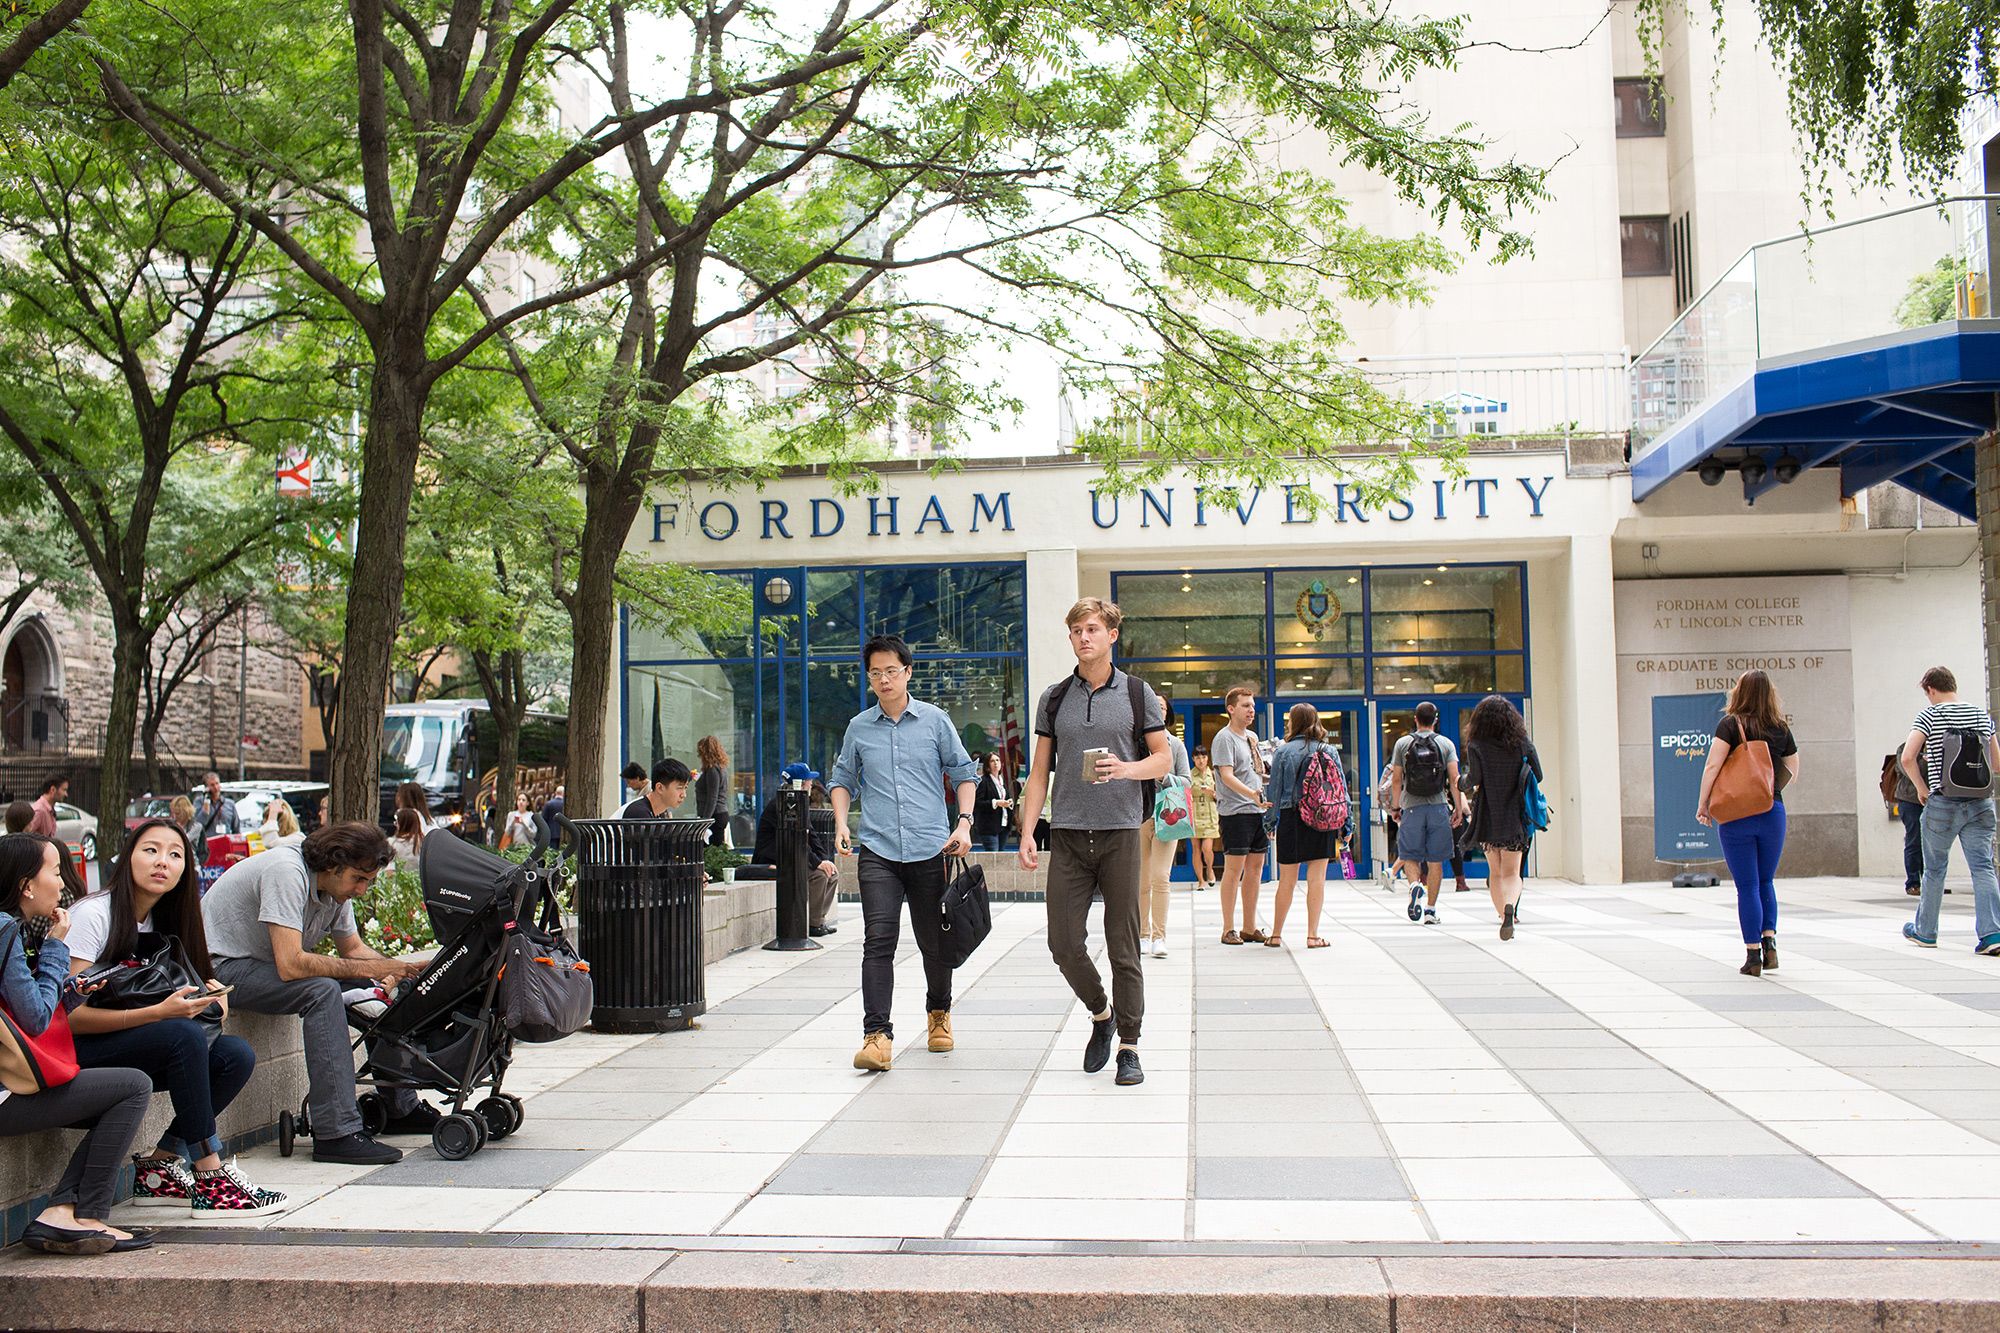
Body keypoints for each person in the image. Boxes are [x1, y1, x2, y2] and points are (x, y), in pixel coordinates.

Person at [64, 820, 285, 1216]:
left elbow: (194, 984)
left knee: (235, 1055)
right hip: (76, 1050)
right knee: (184, 1036)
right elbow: (67, 1016)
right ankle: (210, 1174)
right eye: (150, 850)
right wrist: (158, 1014)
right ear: (128, 856)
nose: (161, 862)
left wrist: (213, 998)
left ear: (186, 868)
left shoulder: (168, 920)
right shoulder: (93, 915)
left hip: (138, 1041)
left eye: (175, 854)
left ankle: (160, 1167)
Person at [201, 821, 427, 1165]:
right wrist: (373, 969)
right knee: (321, 992)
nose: (362, 890)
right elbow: (291, 965)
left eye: (369, 881)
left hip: (259, 966)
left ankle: (400, 1108)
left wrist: (400, 969)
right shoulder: (286, 872)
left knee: (372, 989)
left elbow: (352, 949)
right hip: (220, 970)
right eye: (358, 879)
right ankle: (335, 1132)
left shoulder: (336, 888)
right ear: (333, 865)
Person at [1017, 598, 1171, 1088]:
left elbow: (1163, 758)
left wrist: (1127, 769)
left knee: (1124, 944)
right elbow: (1039, 770)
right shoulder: (1054, 697)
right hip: (1066, 834)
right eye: (1076, 631)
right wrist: (1027, 830)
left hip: (1121, 833)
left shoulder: (1136, 693)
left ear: (1111, 636)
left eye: (1092, 629)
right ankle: (1101, 1013)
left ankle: (1129, 1045)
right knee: (1063, 943)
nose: (1083, 637)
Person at [0, 833, 156, 1255]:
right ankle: (85, 1215)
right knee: (133, 1086)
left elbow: (25, 1011)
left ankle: (64, 1212)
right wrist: (55, 948)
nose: (63, 883)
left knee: (119, 1094)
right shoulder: (4, 930)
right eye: (54, 871)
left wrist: (72, 992)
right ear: (26, 886)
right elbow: (32, 1019)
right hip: (4, 1095)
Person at [830, 634, 976, 1071]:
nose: (883, 679)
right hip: (878, 849)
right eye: (875, 673)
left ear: (908, 672)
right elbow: (842, 780)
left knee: (934, 942)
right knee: (878, 941)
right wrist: (841, 821)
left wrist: (964, 823)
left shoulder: (934, 721)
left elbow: (965, 773)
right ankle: (876, 1036)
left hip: (932, 848)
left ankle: (938, 1015)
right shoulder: (859, 727)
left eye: (891, 670)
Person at [1696, 670, 1799, 976]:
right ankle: (1770, 945)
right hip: (1772, 811)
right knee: (1766, 881)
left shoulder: (1730, 724)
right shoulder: (1780, 727)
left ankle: (1752, 955)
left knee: (1747, 886)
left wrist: (1704, 804)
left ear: (1740, 692)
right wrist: (1766, 792)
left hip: (1735, 816)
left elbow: (1713, 764)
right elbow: (1792, 769)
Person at [1899, 665, 2000, 955]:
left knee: (1934, 869)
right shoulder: (1982, 715)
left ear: (1931, 690)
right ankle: (1992, 935)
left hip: (1942, 801)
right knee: (1982, 867)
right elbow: (1996, 764)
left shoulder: (1930, 714)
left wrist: (1921, 787)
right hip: (1980, 804)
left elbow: (1908, 757)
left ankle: (1926, 932)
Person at [1461, 695, 1543, 942]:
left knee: (1495, 872)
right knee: (1512, 872)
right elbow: (1538, 775)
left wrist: (1459, 782)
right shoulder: (1522, 743)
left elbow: (1473, 779)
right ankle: (1510, 908)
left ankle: (1501, 915)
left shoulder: (1476, 745)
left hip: (1487, 814)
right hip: (1515, 815)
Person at [1266, 703, 1339, 950]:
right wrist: (1346, 822)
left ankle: (1276, 934)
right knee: (1317, 878)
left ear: (1293, 722)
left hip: (1291, 817)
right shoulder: (1329, 750)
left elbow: (1273, 790)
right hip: (1321, 817)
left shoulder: (1283, 752)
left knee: (1287, 879)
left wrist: (1270, 820)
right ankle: (1312, 935)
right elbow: (1340, 789)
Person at [1389, 703, 1466, 927]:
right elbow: (1455, 779)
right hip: (1438, 806)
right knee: (1435, 860)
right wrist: (1459, 808)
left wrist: (1396, 807)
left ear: (1415, 719)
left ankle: (1414, 886)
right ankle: (1430, 911)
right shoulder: (1445, 744)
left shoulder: (1403, 744)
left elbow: (1396, 780)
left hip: (1411, 807)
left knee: (1410, 855)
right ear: (1435, 720)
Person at [1211, 686, 1270, 945]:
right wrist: (1251, 794)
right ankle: (1228, 928)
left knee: (1255, 869)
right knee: (1233, 871)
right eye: (1246, 705)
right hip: (1235, 812)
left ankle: (1249, 926)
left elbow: (1257, 771)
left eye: (1253, 706)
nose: (1251, 710)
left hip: (1258, 810)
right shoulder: (1224, 738)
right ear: (1231, 708)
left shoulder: (1252, 738)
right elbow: (1226, 775)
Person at [753, 778, 840, 936]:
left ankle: (818, 920)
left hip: (794, 855)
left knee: (832, 873)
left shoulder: (800, 803)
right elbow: (795, 838)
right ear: (798, 783)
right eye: (808, 781)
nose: (811, 784)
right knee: (819, 876)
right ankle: (813, 925)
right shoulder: (784, 805)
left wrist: (824, 859)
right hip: (776, 859)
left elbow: (811, 836)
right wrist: (817, 863)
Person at [1138, 723, 1191, 958]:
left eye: (1160, 707)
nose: (1156, 710)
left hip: (1167, 816)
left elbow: (1187, 781)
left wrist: (1164, 776)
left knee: (1160, 877)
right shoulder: (1136, 743)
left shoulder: (1175, 745)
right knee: (1141, 881)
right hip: (1139, 817)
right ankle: (1142, 934)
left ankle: (1159, 936)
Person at [1188, 746, 1219, 888]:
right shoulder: (1189, 775)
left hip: (1209, 814)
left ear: (1207, 759)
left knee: (1207, 848)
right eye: (1198, 758)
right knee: (1196, 848)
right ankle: (1201, 880)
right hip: (1194, 814)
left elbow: (1221, 796)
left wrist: (1212, 792)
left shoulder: (1213, 774)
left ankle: (1210, 869)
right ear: (1193, 759)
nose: (1201, 761)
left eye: (1204, 757)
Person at [190, 772, 239, 861]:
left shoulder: (229, 804)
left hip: (225, 847)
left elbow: (236, 828)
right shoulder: (199, 802)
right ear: (207, 787)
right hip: (207, 847)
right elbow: (200, 823)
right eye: (212, 785)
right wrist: (206, 801)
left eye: (217, 783)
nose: (216, 787)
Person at [972, 752, 1013, 852]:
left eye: (997, 760)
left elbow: (1004, 798)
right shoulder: (983, 781)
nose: (995, 763)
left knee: (1000, 856)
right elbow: (977, 802)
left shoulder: (1002, 781)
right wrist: (996, 803)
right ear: (987, 766)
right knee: (993, 856)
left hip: (1003, 824)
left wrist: (1008, 802)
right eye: (992, 761)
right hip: (988, 827)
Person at [623, 759, 692, 818]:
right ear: (660, 788)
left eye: (685, 788)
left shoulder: (662, 813)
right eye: (679, 788)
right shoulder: (638, 814)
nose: (683, 795)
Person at [694, 736, 730, 846]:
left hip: (715, 815)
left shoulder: (712, 770)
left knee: (711, 850)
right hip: (719, 813)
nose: (699, 755)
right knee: (716, 848)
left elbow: (712, 797)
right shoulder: (720, 768)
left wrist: (705, 821)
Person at [29, 773, 66, 839]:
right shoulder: (39, 811)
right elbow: (25, 838)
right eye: (64, 790)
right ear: (53, 790)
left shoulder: (49, 810)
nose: (66, 794)